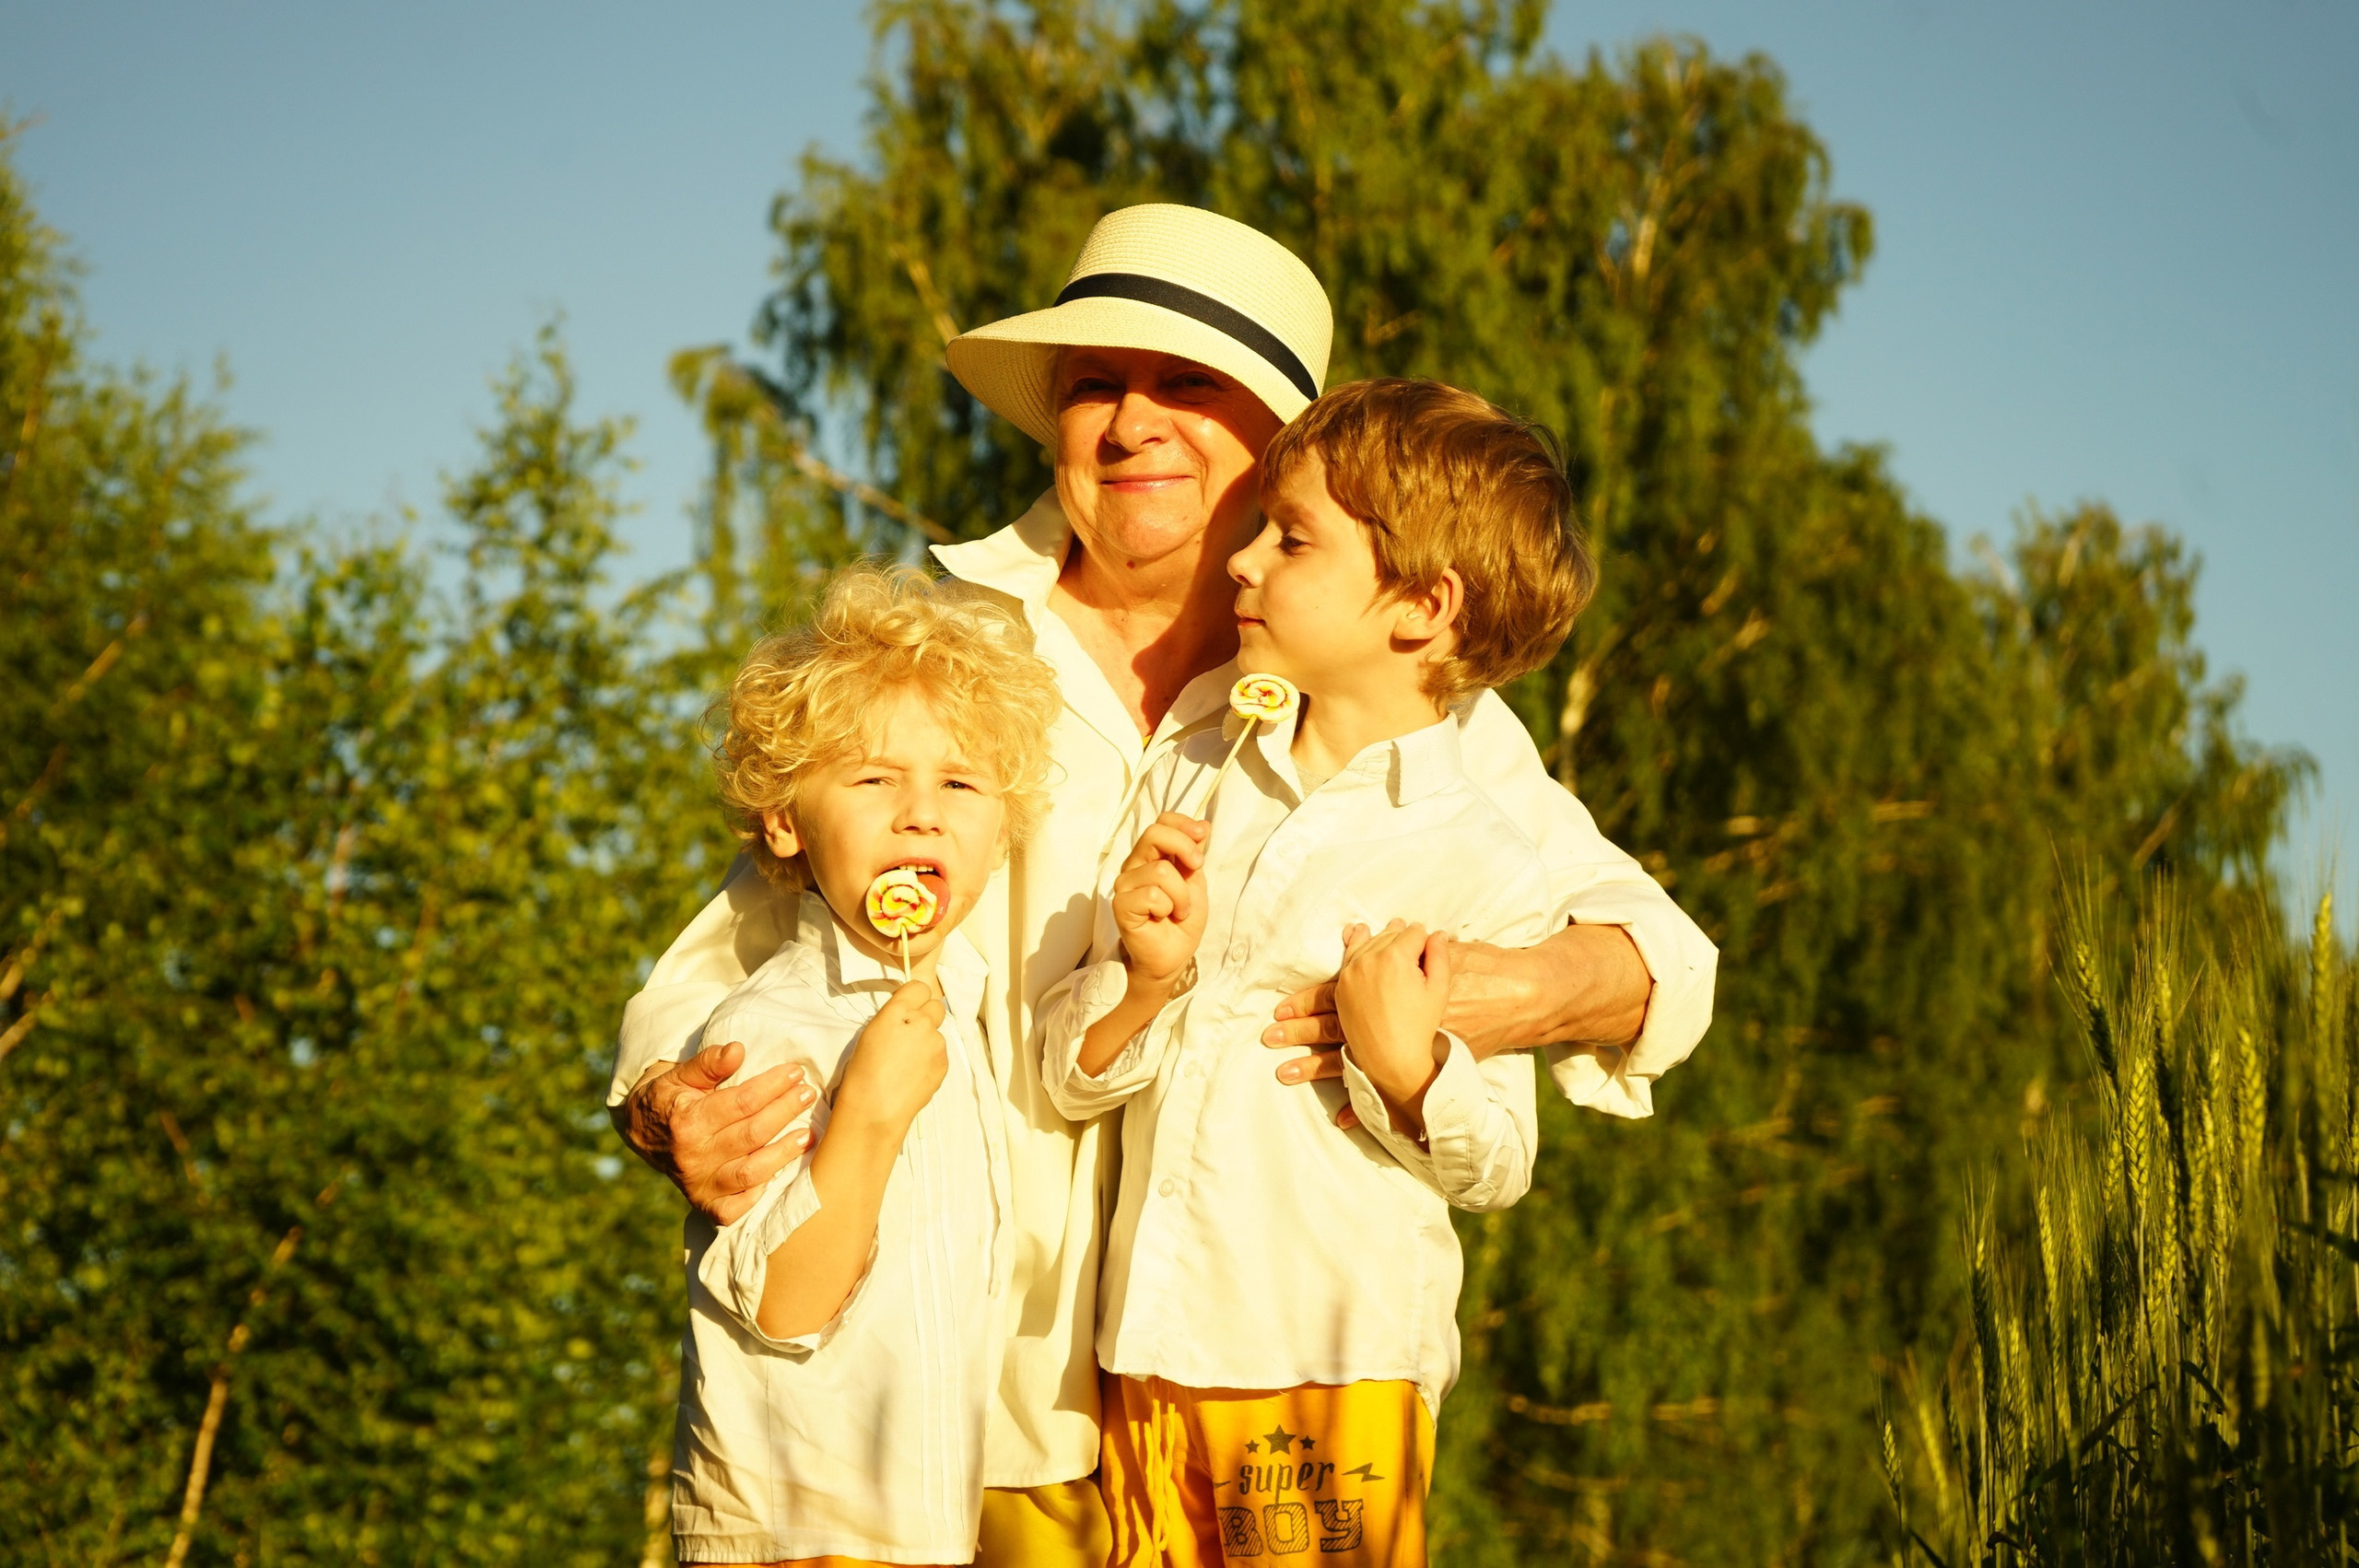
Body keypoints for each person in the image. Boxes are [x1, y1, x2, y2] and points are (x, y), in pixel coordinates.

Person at [610, 203, 1719, 1566]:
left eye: (1189, 383)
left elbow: (1659, 960)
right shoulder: (933, 643)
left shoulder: (1393, 702)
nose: (1134, 423)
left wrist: (1496, 994)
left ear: (1283, 439)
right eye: (1094, 385)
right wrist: (674, 1105)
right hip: (894, 1389)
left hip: (1219, 1386)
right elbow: (721, 968)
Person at [1041, 377, 1589, 1563]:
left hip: (1326, 1370)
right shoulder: (1195, 757)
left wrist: (1409, 1072)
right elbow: (1076, 1073)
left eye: (1290, 539)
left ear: (1420, 609)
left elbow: (1499, 1164)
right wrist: (1141, 979)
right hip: (1145, 1354)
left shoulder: (1478, 853)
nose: (1238, 561)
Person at [668, 567, 1061, 1566]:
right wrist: (870, 1119)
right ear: (786, 822)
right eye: (873, 778)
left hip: (919, 1527)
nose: (921, 812)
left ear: (1000, 829)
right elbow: (785, 1301)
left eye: (960, 783)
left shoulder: (961, 1011)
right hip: (798, 1531)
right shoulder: (774, 1024)